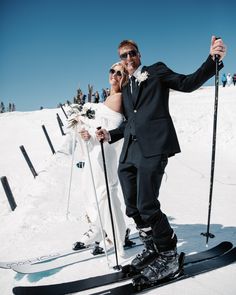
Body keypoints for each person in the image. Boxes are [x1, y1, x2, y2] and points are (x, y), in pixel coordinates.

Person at [96, 36, 226, 284]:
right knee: (132, 207)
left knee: (147, 205)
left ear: (139, 54)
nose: (128, 59)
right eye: (123, 56)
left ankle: (168, 254)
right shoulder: (126, 87)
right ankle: (152, 247)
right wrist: (109, 135)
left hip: (154, 147)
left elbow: (187, 83)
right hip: (129, 154)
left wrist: (213, 60)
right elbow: (129, 123)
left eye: (131, 53)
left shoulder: (156, 71)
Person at [68, 62, 129, 257]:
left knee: (105, 193)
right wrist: (84, 130)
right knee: (90, 190)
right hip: (94, 149)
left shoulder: (120, 97)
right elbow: (98, 123)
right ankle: (98, 227)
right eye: (112, 71)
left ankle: (115, 235)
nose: (115, 75)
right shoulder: (108, 97)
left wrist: (84, 118)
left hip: (107, 150)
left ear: (125, 77)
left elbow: (110, 125)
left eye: (120, 73)